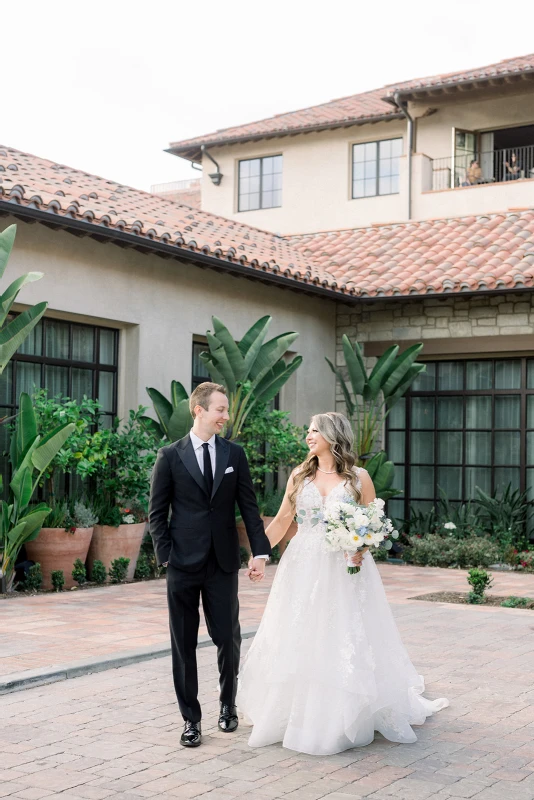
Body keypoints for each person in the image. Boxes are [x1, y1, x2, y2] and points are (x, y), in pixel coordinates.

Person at [237, 412, 448, 755]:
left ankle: (342, 712)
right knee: (299, 629)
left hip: (345, 565)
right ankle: (291, 710)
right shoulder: (299, 475)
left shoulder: (358, 478)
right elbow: (281, 521)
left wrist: (359, 549)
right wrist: (260, 555)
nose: (308, 435)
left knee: (342, 631)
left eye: (314, 430)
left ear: (332, 435)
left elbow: (373, 524)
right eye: (308, 430)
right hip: (302, 563)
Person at [149, 382, 271, 748]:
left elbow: (249, 508)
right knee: (182, 644)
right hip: (182, 565)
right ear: (199, 410)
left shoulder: (235, 454)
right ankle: (191, 720)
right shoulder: (170, 455)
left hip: (222, 562)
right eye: (220, 409)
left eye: (226, 409)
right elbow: (157, 513)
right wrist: (166, 556)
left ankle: (227, 705)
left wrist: (260, 552)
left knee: (228, 638)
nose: (226, 416)